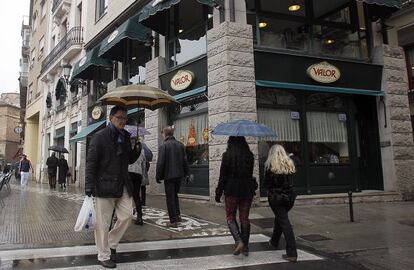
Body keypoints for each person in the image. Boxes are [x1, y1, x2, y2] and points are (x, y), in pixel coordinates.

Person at [85, 105, 141, 269]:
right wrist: (89, 185)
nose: (123, 121)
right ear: (111, 118)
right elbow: (91, 163)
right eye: (119, 117)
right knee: (103, 223)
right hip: (104, 185)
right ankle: (103, 255)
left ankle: (111, 242)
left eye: (125, 118)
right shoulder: (99, 137)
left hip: (123, 183)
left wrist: (136, 148)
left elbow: (129, 160)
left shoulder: (125, 136)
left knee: (127, 215)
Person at [215, 136, 257, 256]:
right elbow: (250, 173)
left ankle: (239, 241)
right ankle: (246, 246)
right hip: (247, 190)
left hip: (232, 190)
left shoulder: (227, 155)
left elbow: (222, 176)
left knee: (230, 216)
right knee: (244, 218)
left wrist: (218, 192)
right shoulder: (249, 155)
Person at [264, 144, 298, 263]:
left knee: (285, 222)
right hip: (289, 198)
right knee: (280, 218)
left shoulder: (270, 167)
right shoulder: (289, 164)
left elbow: (266, 184)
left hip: (276, 198)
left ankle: (292, 252)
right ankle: (274, 241)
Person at [156, 126, 189, 228]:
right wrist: (186, 173)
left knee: (170, 198)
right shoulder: (180, 145)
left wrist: (158, 176)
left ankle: (173, 220)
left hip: (169, 176)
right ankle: (178, 215)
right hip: (179, 175)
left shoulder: (164, 146)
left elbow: (160, 163)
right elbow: (185, 161)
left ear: (165, 134)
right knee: (175, 196)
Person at [128, 137, 147, 226]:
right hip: (138, 175)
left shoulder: (127, 149)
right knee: (136, 196)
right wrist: (143, 176)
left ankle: (122, 216)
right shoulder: (142, 151)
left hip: (129, 173)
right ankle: (140, 218)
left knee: (125, 195)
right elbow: (144, 164)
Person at [140, 142, 152, 206]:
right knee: (142, 186)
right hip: (144, 168)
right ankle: (143, 202)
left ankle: (139, 202)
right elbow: (150, 156)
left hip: (139, 168)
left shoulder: (136, 146)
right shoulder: (144, 145)